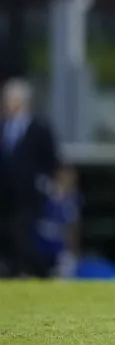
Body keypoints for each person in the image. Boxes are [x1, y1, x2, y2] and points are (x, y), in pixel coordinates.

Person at [0, 78, 61, 277]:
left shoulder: (39, 129)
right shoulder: (3, 128)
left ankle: (39, 272)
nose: (7, 104)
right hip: (5, 197)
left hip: (29, 196)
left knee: (24, 236)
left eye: (10, 99)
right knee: (9, 236)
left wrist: (50, 186)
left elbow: (52, 161)